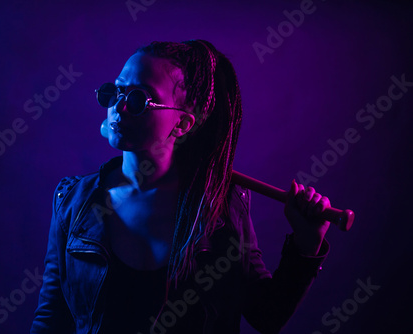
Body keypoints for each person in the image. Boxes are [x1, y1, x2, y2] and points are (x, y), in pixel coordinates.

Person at [30, 40, 331, 334]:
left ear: (182, 124)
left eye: (138, 99)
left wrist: (306, 245)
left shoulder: (220, 205)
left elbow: (266, 314)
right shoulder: (73, 202)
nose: (118, 107)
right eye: (115, 91)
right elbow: (52, 317)